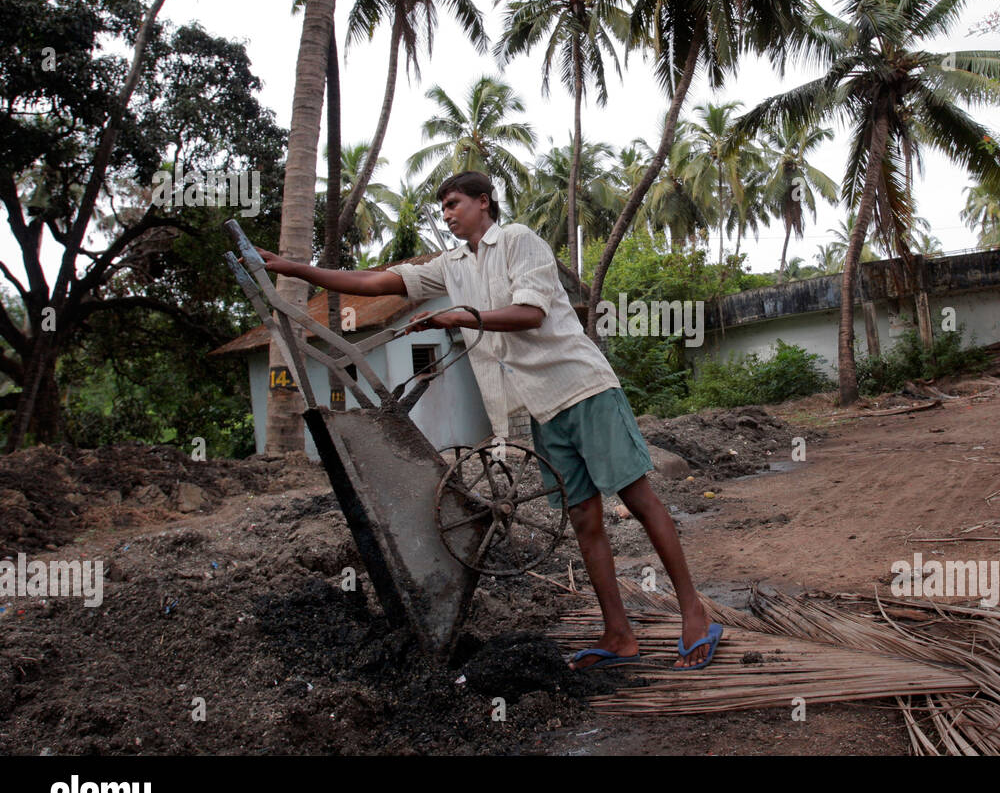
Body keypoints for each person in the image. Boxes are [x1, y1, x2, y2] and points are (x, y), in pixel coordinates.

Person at [249, 171, 722, 670]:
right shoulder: (450, 265)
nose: (448, 214)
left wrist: (460, 317)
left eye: (454, 203)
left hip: (582, 388)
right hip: (540, 406)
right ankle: (618, 634)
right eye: (443, 208)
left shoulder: (518, 240)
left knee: (639, 499)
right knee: (584, 518)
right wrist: (294, 269)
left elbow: (530, 314)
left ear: (483, 201)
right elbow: (373, 281)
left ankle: (693, 613)